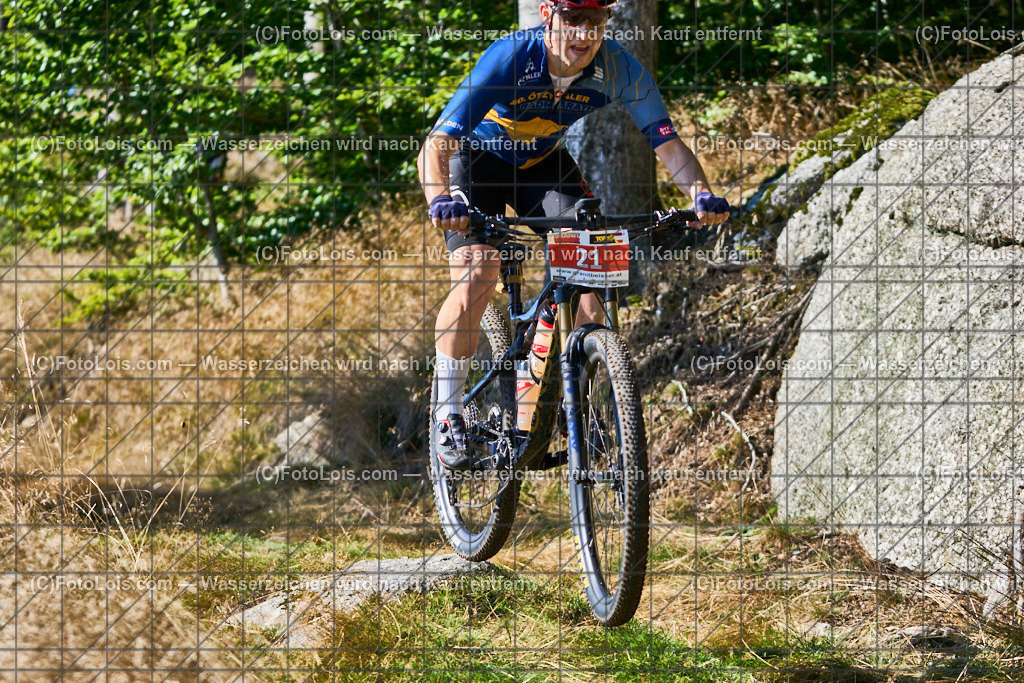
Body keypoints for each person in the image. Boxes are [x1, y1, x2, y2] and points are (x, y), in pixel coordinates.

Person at [417, 0, 730, 469]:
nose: (584, 33)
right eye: (574, 20)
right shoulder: (511, 58)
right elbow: (437, 143)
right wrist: (441, 199)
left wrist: (701, 194)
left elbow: (666, 142)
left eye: (596, 22)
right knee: (477, 271)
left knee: (590, 269)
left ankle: (571, 403)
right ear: (549, 16)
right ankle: (448, 413)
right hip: (477, 159)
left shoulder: (619, 67)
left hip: (543, 167)